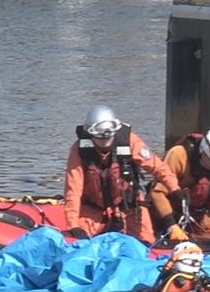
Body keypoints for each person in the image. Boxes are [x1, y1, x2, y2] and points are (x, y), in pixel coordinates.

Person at [62, 105, 184, 245]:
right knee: (81, 243)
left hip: (130, 207)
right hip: (93, 210)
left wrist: (174, 189)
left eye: (108, 137)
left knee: (146, 243)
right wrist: (73, 225)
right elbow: (73, 190)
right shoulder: (79, 151)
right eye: (100, 138)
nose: (104, 142)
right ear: (90, 133)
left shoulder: (129, 142)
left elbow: (158, 167)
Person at [148, 127, 210, 249]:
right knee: (156, 237)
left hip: (198, 214)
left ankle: (193, 236)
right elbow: (158, 192)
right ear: (203, 149)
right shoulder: (179, 155)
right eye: (209, 160)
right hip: (169, 212)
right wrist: (171, 225)